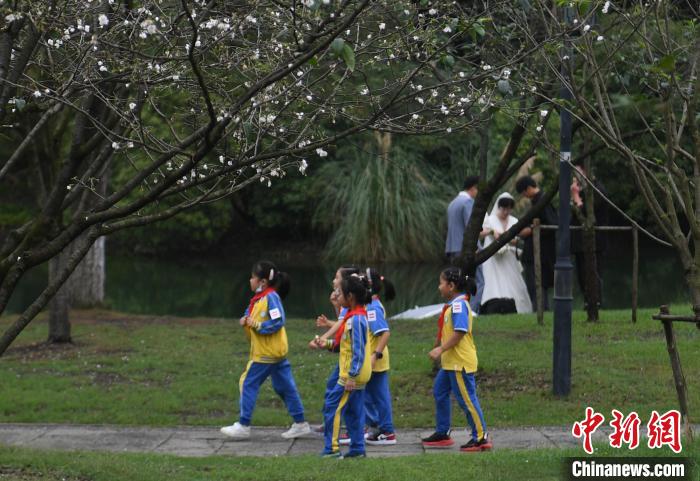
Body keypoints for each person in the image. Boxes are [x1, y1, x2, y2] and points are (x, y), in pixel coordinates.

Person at [221, 261, 311, 439]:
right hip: (275, 353)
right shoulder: (259, 299)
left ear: (262, 282)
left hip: (266, 354)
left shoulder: (271, 298)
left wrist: (258, 325)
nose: (250, 280)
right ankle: (300, 423)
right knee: (285, 387)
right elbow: (250, 314)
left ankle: (243, 425)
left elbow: (278, 321)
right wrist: (245, 319)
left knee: (247, 383)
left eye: (253, 277)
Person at [421, 267, 492, 452]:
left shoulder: (459, 306)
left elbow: (459, 332)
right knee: (440, 391)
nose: (439, 287)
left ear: (451, 286)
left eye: (441, 283)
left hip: (459, 362)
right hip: (450, 363)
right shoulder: (454, 305)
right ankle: (442, 433)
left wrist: (440, 349)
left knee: (467, 399)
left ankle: (481, 437)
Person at [313, 274, 372, 458]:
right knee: (354, 412)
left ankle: (332, 449)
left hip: (351, 375)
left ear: (351, 297)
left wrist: (351, 376)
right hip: (354, 373)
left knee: (332, 407)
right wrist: (327, 344)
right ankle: (357, 449)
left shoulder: (356, 320)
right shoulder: (354, 317)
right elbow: (345, 345)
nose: (338, 297)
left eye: (341, 294)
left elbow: (358, 351)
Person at [479, 193, 533, 314]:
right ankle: (491, 307)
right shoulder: (490, 220)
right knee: (494, 281)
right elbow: (480, 233)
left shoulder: (514, 221)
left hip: (508, 257)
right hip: (493, 258)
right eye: (504, 208)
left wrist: (512, 240)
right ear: (499, 207)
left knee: (512, 281)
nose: (506, 211)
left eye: (509, 208)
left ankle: (516, 308)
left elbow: (517, 239)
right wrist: (492, 232)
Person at [362, 268, 397, 446]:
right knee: (369, 396)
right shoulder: (370, 305)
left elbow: (384, 333)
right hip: (371, 360)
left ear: (368, 285)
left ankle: (387, 432)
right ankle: (375, 426)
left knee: (380, 397)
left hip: (375, 360)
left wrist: (375, 355)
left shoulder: (373, 308)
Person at [515, 175, 558, 310]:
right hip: (536, 250)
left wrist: (531, 230)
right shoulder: (538, 201)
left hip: (541, 251)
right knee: (537, 284)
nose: (524, 196)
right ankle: (540, 309)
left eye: (523, 193)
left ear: (528, 189)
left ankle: (540, 310)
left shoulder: (542, 201)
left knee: (537, 284)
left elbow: (552, 224)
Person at [571, 165, 609, 308]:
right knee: (582, 274)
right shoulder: (583, 190)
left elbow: (587, 214)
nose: (575, 177)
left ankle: (595, 302)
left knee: (593, 271)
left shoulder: (597, 190)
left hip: (594, 241)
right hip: (580, 241)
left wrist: (575, 197)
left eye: (578, 173)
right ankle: (588, 301)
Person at [445, 175, 484, 312]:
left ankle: (456, 309)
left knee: (457, 282)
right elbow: (471, 228)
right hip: (466, 250)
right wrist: (477, 247)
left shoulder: (453, 203)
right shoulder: (467, 202)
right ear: (473, 188)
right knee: (478, 281)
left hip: (452, 249)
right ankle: (472, 311)